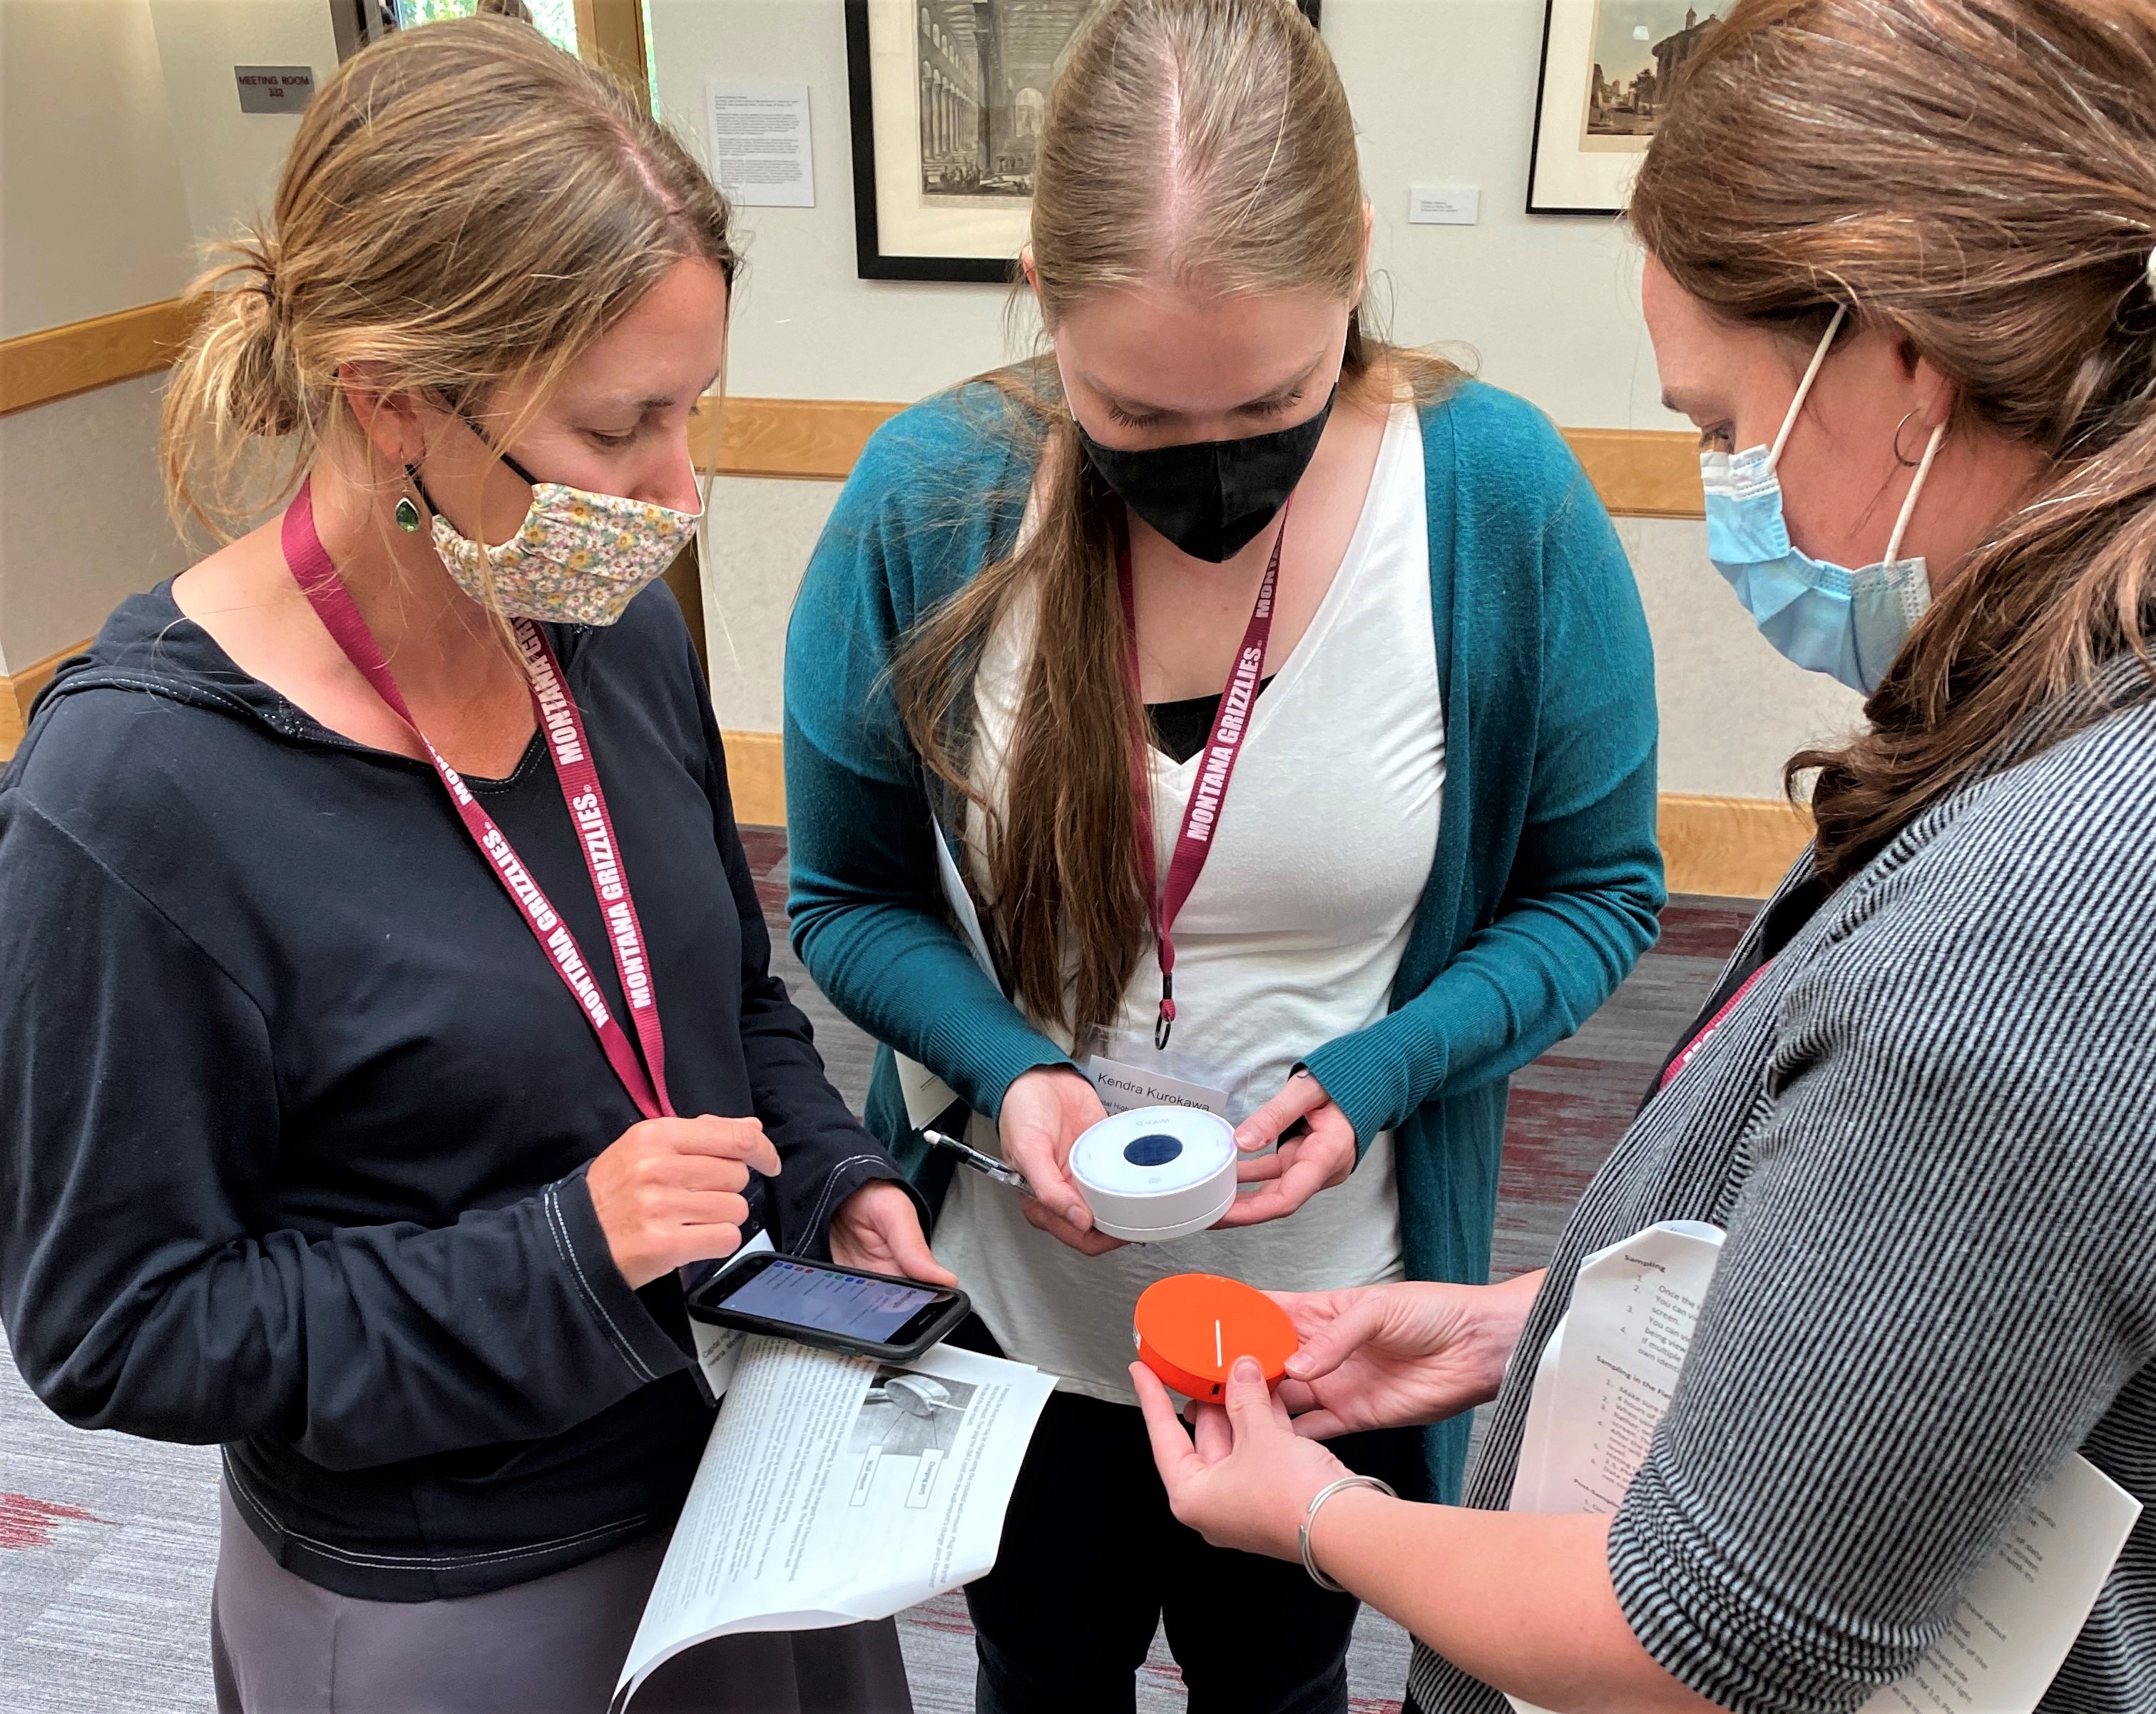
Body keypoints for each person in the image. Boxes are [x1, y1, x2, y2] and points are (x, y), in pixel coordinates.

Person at [1130, 3, 2156, 1711]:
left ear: (1895, 359)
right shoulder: (2076, 750)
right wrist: (1513, 1326)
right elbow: (1943, 1288)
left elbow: (1717, 1625)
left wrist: (1314, 1513)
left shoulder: (2032, 930)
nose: (1723, 485)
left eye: (1720, 420)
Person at [0, 19, 942, 1713]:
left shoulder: (599, 629)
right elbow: (116, 1323)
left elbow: (719, 1000)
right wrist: (562, 1253)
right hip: (468, 1582)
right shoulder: (135, 796)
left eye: (695, 410)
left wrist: (829, 1185)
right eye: (617, 429)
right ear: (396, 403)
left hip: (750, 1477)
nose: (679, 493)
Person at [781, 1, 1665, 1707]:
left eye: (1270, 397)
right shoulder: (928, 501)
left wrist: (1388, 1065)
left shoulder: (1493, 503)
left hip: (1322, 1327)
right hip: (1021, 1316)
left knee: (1278, 1679)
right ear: (1035, 288)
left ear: (1356, 273)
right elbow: (848, 894)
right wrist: (1005, 1066)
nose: (1208, 474)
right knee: (1040, 1666)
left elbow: (1596, 890)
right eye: (1132, 411)